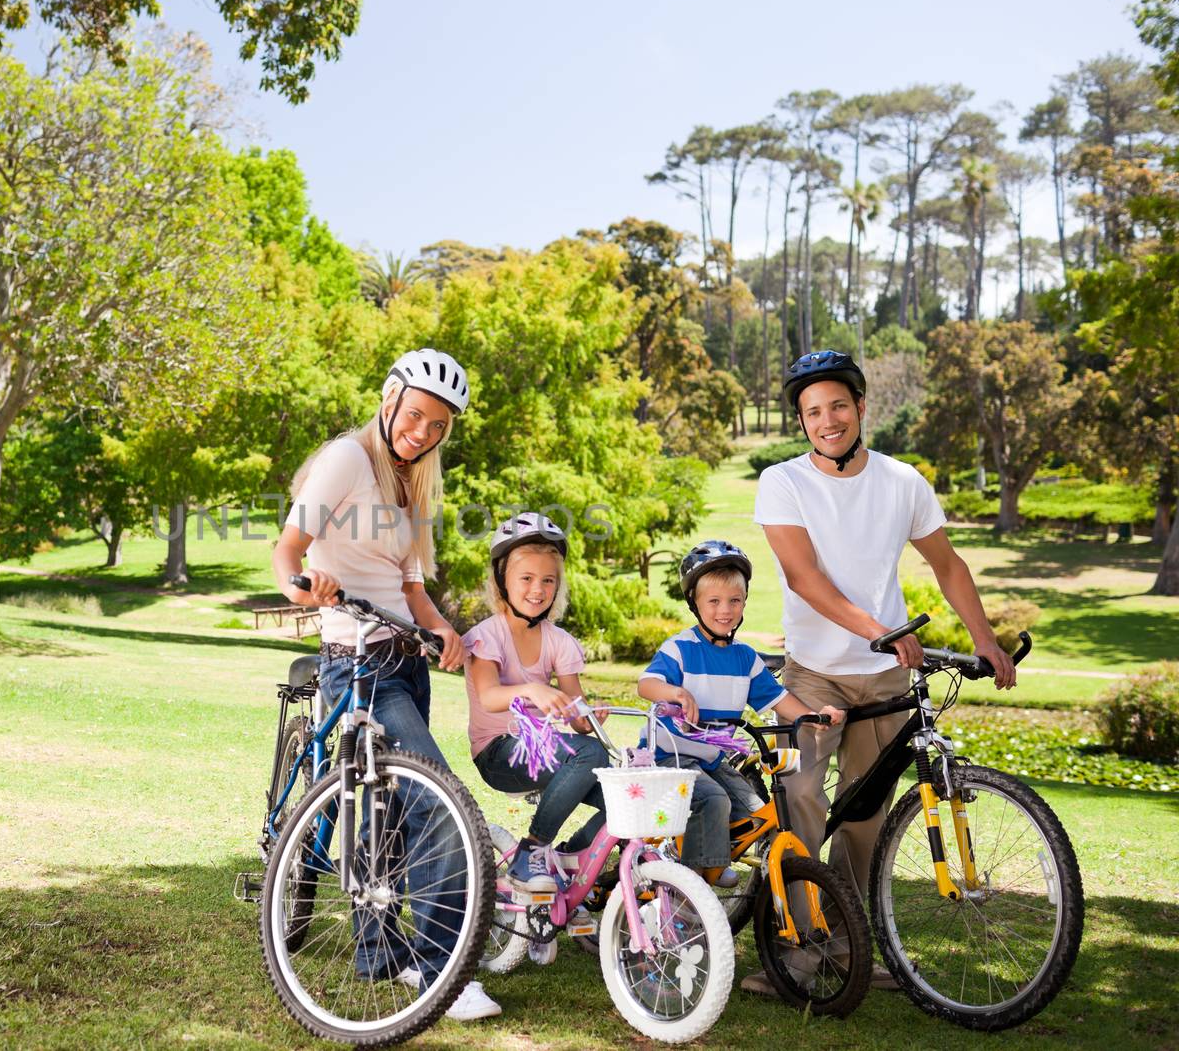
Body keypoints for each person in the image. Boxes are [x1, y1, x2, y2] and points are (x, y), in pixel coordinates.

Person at [751, 349, 1017, 994]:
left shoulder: (903, 482)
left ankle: (851, 948)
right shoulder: (782, 482)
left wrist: (986, 639)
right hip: (812, 673)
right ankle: (793, 949)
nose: (827, 420)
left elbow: (947, 565)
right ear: (801, 421)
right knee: (804, 803)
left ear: (861, 407)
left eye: (838, 405)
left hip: (886, 682)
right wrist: (881, 631)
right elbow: (803, 579)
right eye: (812, 411)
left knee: (866, 821)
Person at [271, 347, 500, 1022]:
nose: (423, 432)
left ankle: (380, 953)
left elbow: (410, 586)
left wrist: (444, 630)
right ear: (391, 397)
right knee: (437, 800)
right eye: (417, 415)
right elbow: (287, 550)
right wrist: (304, 586)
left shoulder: (418, 482)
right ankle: (441, 969)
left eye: (438, 425)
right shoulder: (348, 459)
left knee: (391, 814)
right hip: (358, 658)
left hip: (407, 659)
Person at [636, 540, 843, 888]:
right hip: (672, 755)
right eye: (713, 601)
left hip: (713, 760)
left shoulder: (745, 658)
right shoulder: (680, 648)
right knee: (714, 799)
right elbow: (647, 684)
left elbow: (778, 699)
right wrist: (676, 692)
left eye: (734, 601)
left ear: (745, 602)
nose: (724, 610)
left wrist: (814, 716)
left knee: (757, 813)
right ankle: (694, 882)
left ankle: (706, 855)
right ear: (695, 603)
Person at [464, 512, 609, 895]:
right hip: (498, 752)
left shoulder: (558, 640)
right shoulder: (486, 636)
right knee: (589, 754)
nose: (537, 589)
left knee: (622, 791)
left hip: (547, 751)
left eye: (548, 580)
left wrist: (589, 716)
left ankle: (570, 859)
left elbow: (576, 714)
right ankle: (532, 849)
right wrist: (531, 690)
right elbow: (489, 697)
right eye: (526, 578)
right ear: (502, 582)